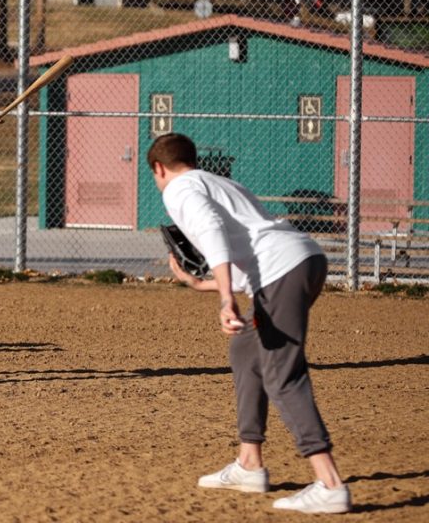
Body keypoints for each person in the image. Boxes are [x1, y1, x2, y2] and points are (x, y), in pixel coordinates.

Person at [147, 133, 350, 514]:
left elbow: (210, 232)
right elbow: (248, 258)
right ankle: (249, 462)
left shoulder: (177, 190)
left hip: (282, 269)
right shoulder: (218, 182)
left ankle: (330, 483)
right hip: (301, 261)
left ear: (158, 168)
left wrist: (226, 299)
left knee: (282, 375)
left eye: (155, 174)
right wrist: (199, 283)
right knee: (246, 352)